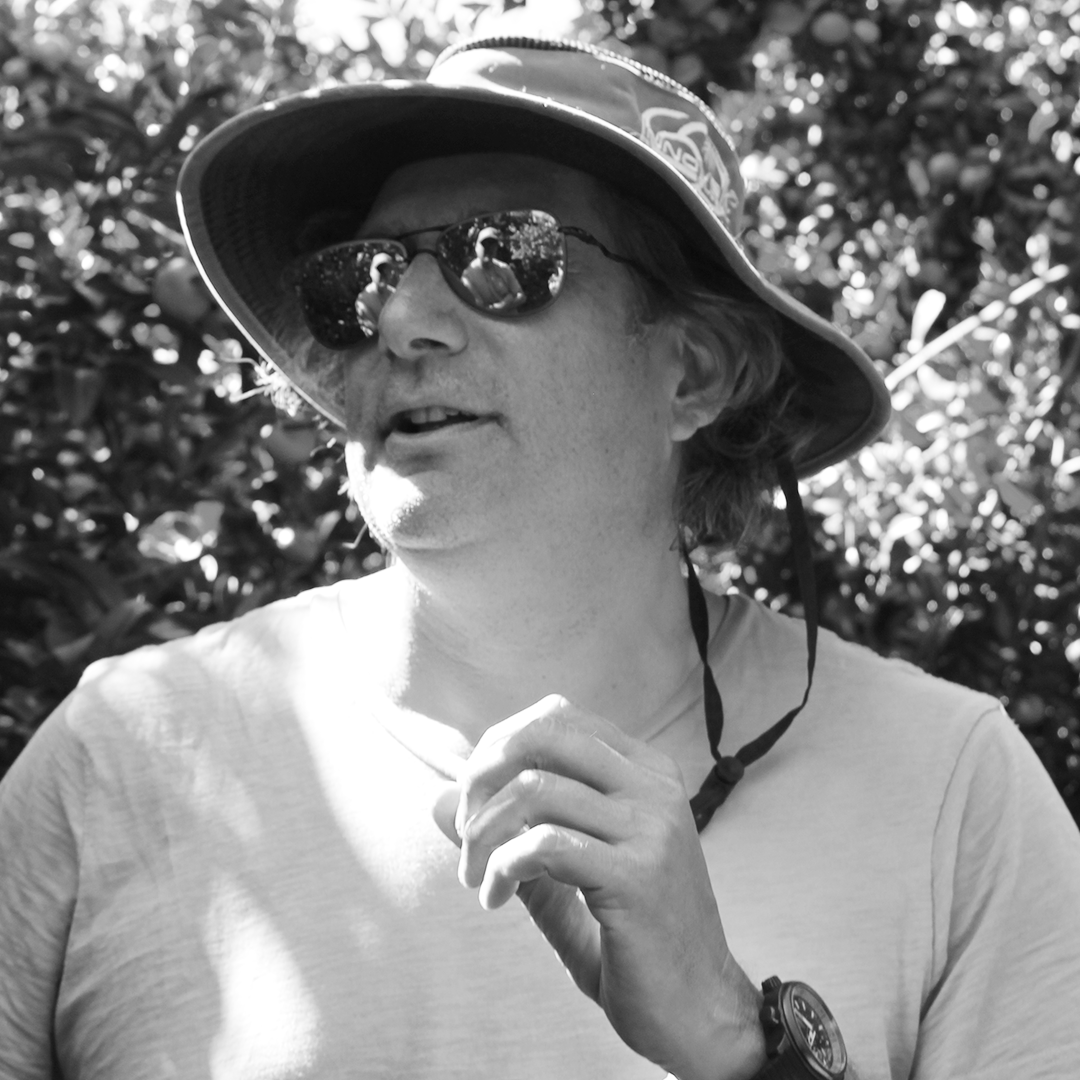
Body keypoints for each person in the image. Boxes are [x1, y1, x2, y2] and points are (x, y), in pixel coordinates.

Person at [2, 36, 1079, 1080]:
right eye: (360, 277)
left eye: (504, 255)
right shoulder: (126, 754)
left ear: (694, 373)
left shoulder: (951, 791)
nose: (401, 320)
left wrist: (738, 1049)